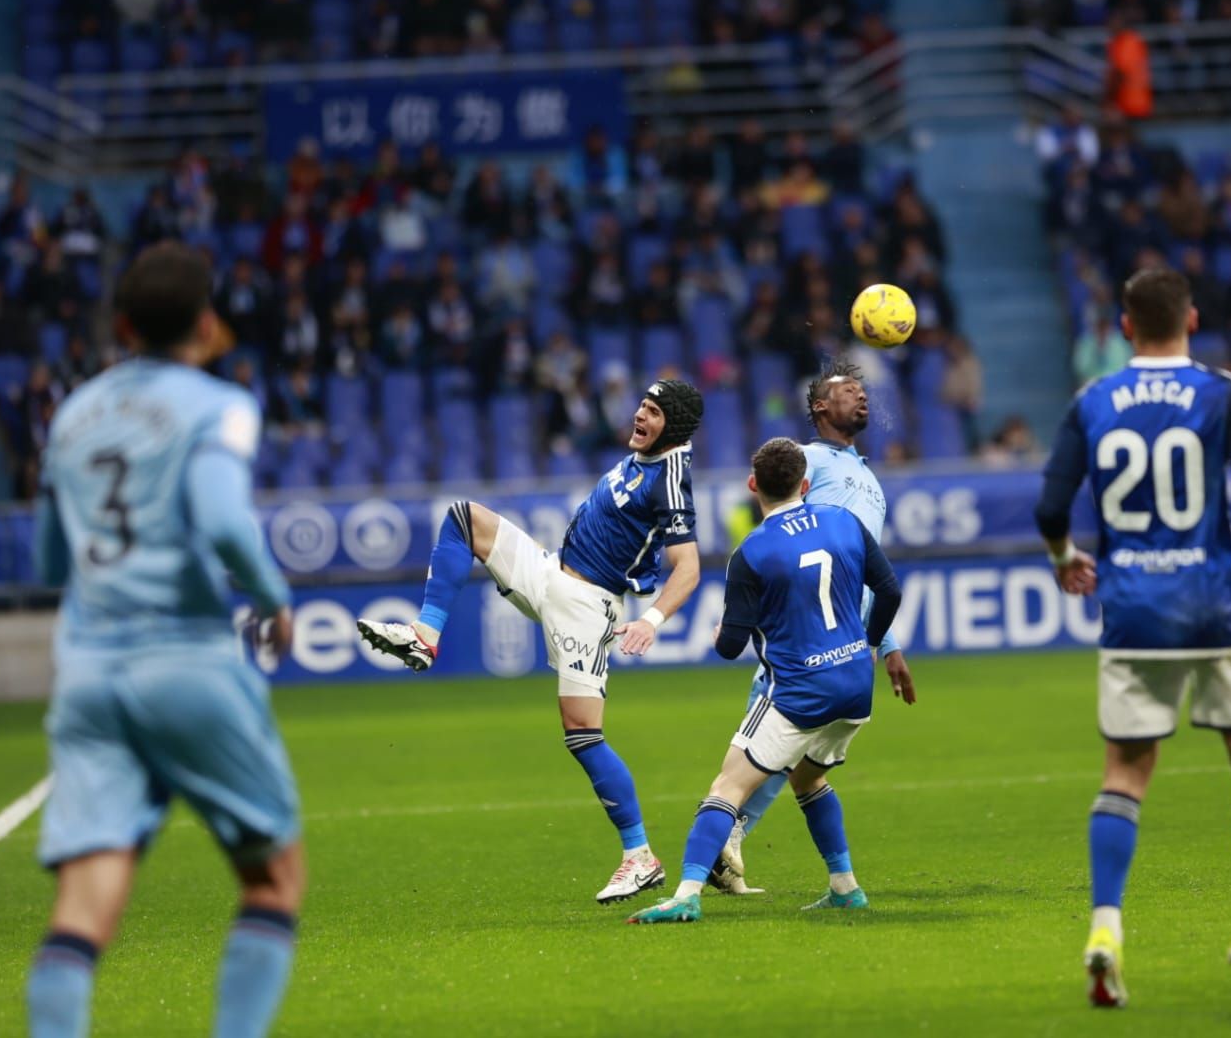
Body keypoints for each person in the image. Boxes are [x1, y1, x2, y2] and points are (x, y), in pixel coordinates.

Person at [27, 243, 302, 1038]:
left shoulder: (71, 412)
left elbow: (50, 560)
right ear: (209, 322)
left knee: (83, 906)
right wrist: (272, 597)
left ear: (120, 325)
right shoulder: (219, 404)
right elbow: (220, 518)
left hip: (85, 672)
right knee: (272, 878)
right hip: (182, 658)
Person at [1035, 267, 1231, 1007]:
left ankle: (1105, 929)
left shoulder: (1092, 399)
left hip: (1132, 612)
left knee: (1123, 776)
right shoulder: (1220, 392)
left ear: (1123, 326)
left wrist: (1063, 560)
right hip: (1213, 607)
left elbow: (1051, 503)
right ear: (1189, 318)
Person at [356, 379, 705, 905]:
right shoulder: (646, 456)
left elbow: (690, 567)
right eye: (642, 404)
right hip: (550, 573)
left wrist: (652, 620)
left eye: (653, 412)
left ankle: (640, 857)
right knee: (463, 520)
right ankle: (425, 637)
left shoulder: (672, 481)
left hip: (586, 606)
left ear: (672, 426)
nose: (639, 415)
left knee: (583, 734)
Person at [626, 438, 902, 924]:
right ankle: (845, 887)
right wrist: (870, 643)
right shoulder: (845, 521)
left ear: (753, 486)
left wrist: (722, 633)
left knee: (727, 787)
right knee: (808, 777)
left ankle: (685, 895)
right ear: (807, 484)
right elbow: (889, 590)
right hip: (857, 683)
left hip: (800, 691)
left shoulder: (751, 551)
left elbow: (731, 646)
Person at [712, 362, 917, 895]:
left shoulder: (866, 477)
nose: (861, 397)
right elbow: (775, 516)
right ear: (821, 408)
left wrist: (886, 643)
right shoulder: (811, 459)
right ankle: (718, 842)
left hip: (847, 637)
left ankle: (727, 845)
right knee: (772, 750)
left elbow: (866, 569)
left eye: (864, 391)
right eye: (847, 391)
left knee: (794, 762)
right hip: (805, 631)